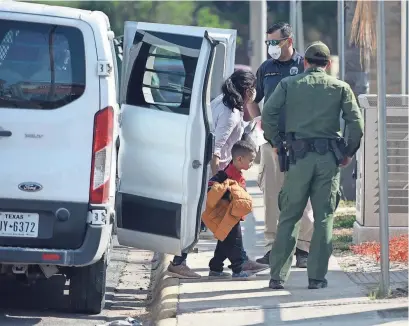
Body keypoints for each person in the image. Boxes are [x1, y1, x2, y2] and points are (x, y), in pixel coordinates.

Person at [261, 41, 364, 290]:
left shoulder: (288, 84)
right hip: (328, 161)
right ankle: (316, 278)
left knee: (289, 217)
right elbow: (357, 126)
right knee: (323, 219)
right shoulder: (340, 88)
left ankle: (277, 277)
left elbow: (268, 115)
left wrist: (275, 142)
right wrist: (347, 152)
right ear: (328, 65)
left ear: (305, 63)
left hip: (297, 160)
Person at [167, 70, 268, 279]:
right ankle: (235, 264)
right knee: (217, 217)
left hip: (215, 173)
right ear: (247, 90)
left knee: (225, 218)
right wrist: (218, 184)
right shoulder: (230, 114)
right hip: (216, 174)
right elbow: (216, 149)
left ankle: (220, 264)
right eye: (253, 89)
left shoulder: (224, 102)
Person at [246, 22, 314, 268]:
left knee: (302, 197)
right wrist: (257, 120)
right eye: (268, 43)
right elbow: (253, 99)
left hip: (302, 143)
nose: (271, 47)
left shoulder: (304, 65)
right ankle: (273, 247)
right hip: (272, 143)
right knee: (273, 198)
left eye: (275, 42)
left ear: (289, 40)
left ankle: (304, 249)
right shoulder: (266, 68)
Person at [204, 140, 257, 280]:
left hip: (233, 215)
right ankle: (238, 269)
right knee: (235, 242)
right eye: (250, 160)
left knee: (224, 240)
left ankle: (215, 267)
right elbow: (219, 190)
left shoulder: (236, 172)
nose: (252, 163)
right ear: (239, 159)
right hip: (229, 215)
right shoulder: (228, 175)